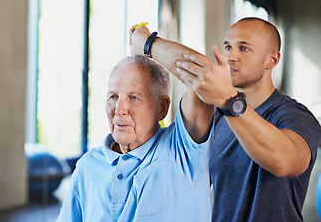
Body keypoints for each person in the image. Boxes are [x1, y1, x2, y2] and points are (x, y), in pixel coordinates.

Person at [129, 17, 321, 221]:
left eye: (244, 48)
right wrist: (147, 44)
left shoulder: (295, 116)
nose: (231, 56)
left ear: (272, 60)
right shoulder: (218, 116)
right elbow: (196, 70)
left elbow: (285, 162)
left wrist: (230, 102)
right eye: (228, 47)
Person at [57, 55, 213, 222]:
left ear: (162, 107)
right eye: (113, 97)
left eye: (133, 97)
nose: (119, 110)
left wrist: (148, 44)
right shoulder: (87, 166)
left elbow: (204, 74)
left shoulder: (181, 151)